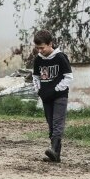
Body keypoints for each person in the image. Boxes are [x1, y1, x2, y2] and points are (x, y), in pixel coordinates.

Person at [32, 29, 73, 162]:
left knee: (57, 123)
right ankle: (55, 155)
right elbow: (35, 77)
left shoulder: (60, 57)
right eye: (37, 48)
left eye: (42, 48)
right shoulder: (38, 60)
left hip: (60, 95)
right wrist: (39, 90)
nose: (40, 51)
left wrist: (55, 89)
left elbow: (68, 77)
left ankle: (54, 150)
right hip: (46, 97)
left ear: (50, 44)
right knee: (50, 123)